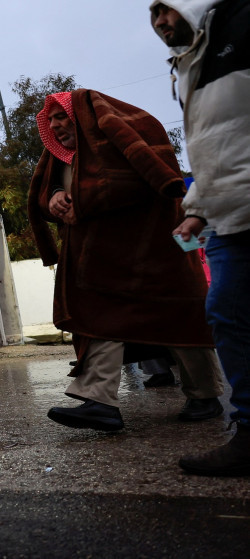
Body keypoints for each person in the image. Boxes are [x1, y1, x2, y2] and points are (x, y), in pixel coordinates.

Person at [27, 90, 225, 432]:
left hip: (157, 252)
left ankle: (205, 395)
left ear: (82, 118)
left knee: (181, 318)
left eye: (63, 116)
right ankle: (99, 402)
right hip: (101, 263)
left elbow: (144, 180)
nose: (56, 124)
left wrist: (82, 201)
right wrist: (56, 197)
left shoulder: (123, 142)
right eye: (51, 119)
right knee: (97, 320)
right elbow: (45, 196)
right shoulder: (60, 160)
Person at [151, 0, 250, 476]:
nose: (160, 22)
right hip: (229, 218)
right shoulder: (188, 66)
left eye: (166, 9)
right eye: (152, 14)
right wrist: (195, 211)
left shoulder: (243, 27)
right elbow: (213, 147)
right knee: (225, 312)